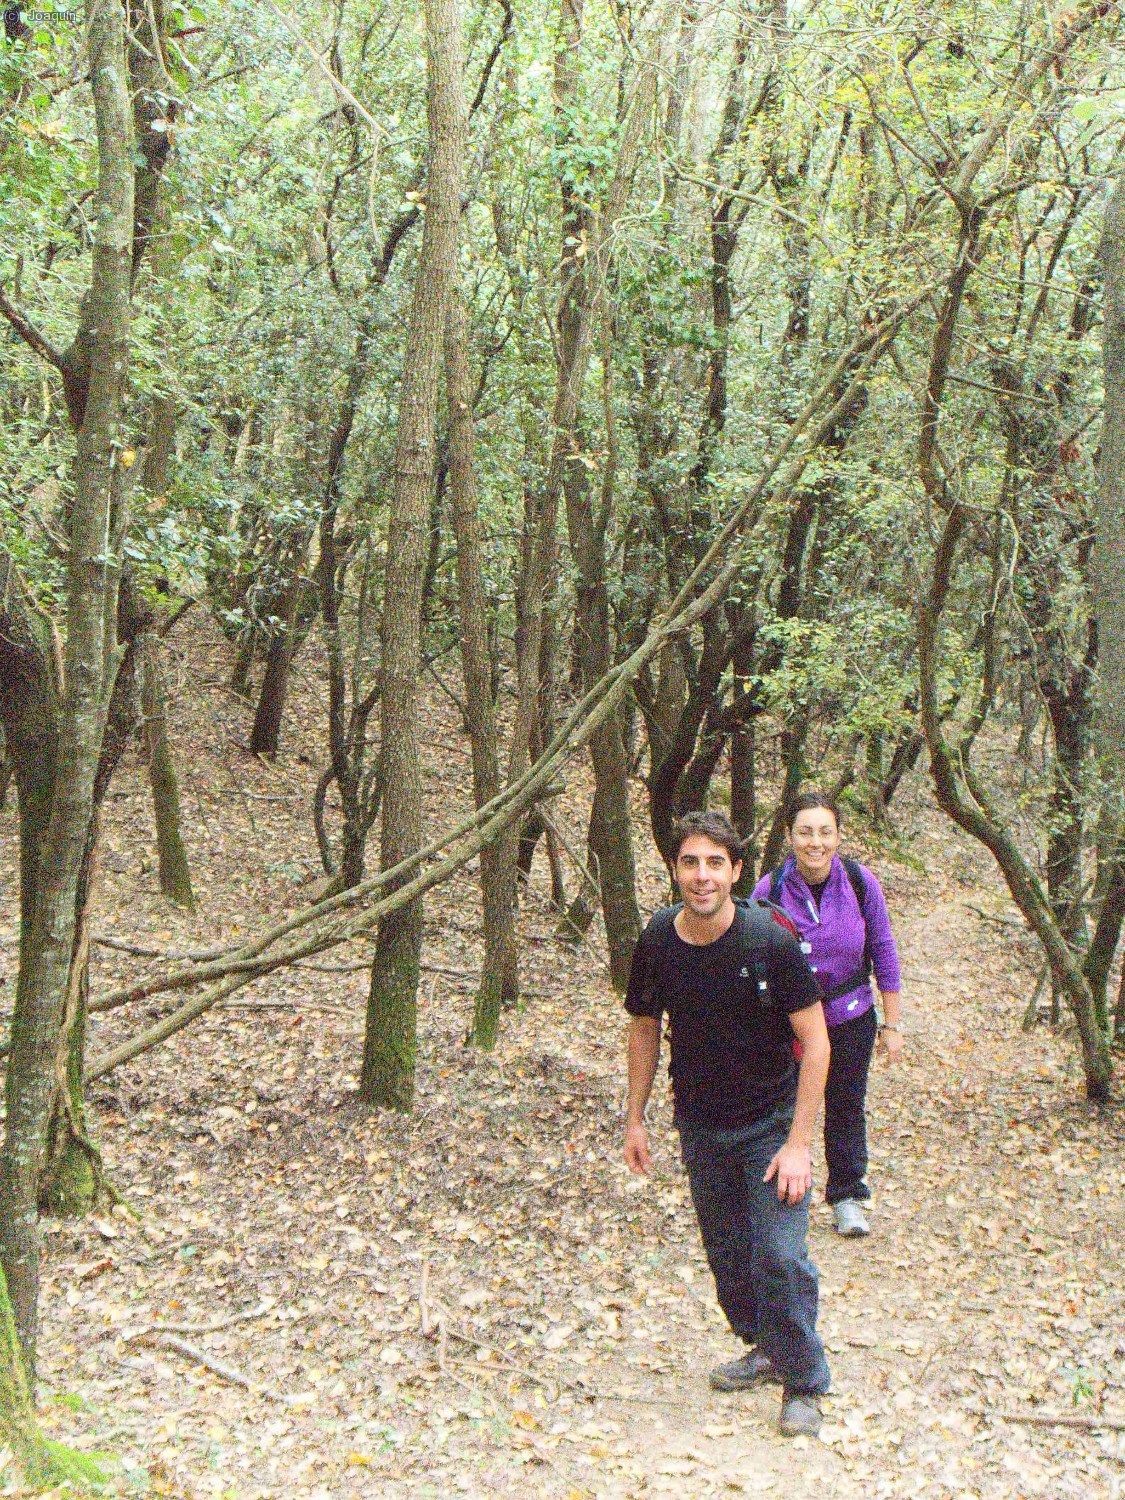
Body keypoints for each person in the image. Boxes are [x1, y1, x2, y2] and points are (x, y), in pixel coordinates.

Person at [622, 810, 832, 1437]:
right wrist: (634, 1118)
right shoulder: (658, 938)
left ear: (737, 872)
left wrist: (798, 1144)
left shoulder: (769, 940)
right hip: (701, 1125)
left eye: (716, 862)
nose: (702, 875)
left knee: (779, 1253)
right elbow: (643, 1026)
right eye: (691, 862)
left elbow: (816, 1044)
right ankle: (766, 1345)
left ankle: (805, 1379)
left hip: (771, 1124)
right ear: (675, 871)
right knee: (731, 1259)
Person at [752, 791, 903, 1238]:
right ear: (790, 836)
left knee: (844, 1103)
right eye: (805, 832)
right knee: (780, 1104)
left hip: (849, 1014)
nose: (814, 842)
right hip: (787, 1021)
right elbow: (752, 953)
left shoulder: (859, 882)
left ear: (837, 836)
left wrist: (892, 1024)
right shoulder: (770, 889)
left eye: (824, 832)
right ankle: (774, 1193)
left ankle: (848, 1195)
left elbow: (884, 949)